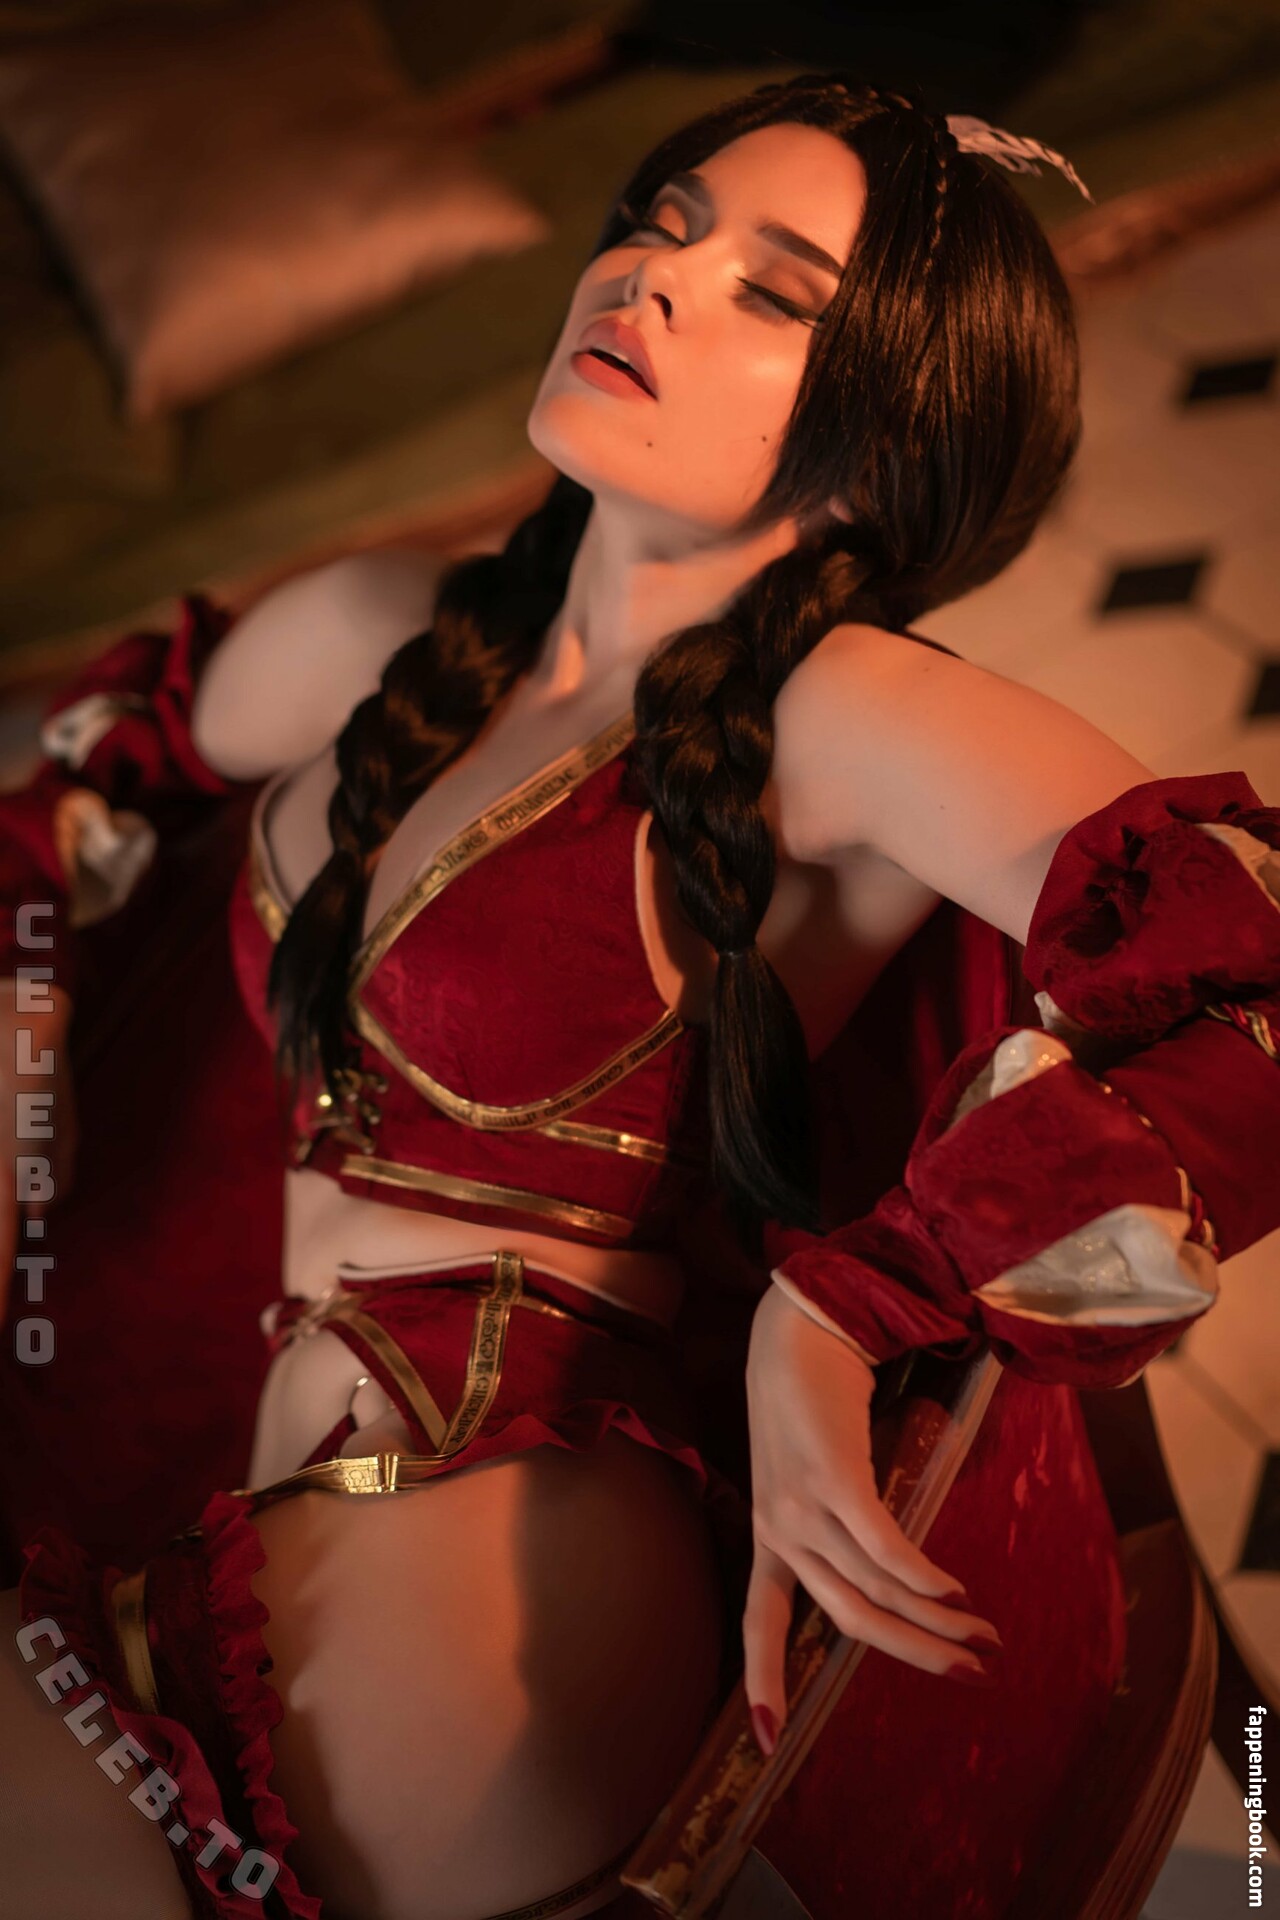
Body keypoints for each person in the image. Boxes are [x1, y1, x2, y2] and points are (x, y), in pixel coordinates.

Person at [1, 70, 1278, 1920]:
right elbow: (83, 789)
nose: (649, 279)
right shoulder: (375, 635)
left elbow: (1245, 974)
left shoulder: (834, 711)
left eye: (772, 291)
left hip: (497, 1596)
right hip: (245, 1528)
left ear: (884, 437)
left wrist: (856, 1303)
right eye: (659, 226)